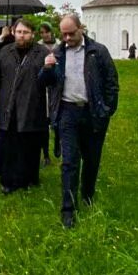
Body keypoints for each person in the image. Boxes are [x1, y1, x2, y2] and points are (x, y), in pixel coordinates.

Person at [40, 13, 119, 228]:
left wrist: (106, 110)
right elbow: (45, 82)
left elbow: (112, 82)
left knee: (91, 159)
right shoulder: (57, 53)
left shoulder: (98, 51)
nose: (66, 38)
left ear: (81, 29)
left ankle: (88, 195)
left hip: (93, 112)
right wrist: (47, 68)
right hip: (67, 112)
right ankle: (68, 209)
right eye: (63, 34)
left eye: (71, 33)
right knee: (69, 162)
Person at [0, 18, 51, 193]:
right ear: (13, 32)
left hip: (32, 105)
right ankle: (8, 180)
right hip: (7, 105)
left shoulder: (43, 52)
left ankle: (29, 179)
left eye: (25, 32)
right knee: (6, 145)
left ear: (32, 34)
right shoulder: (5, 51)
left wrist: (48, 69)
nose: (22, 36)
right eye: (19, 32)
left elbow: (50, 81)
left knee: (29, 144)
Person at [37, 22, 59, 166]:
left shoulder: (59, 45)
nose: (44, 35)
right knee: (44, 122)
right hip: (43, 87)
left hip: (57, 86)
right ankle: (45, 154)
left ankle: (58, 144)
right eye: (42, 33)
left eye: (46, 32)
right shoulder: (38, 47)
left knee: (56, 119)